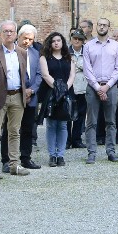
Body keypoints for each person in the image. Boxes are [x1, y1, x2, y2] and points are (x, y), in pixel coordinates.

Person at [0, 21, 31, 177]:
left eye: (11, 31)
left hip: (17, 96)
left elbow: (24, 75)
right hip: (0, 97)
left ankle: (14, 164)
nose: (8, 34)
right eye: (5, 31)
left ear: (16, 34)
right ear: (1, 34)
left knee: (14, 132)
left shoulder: (22, 52)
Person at [82, 18, 118, 164]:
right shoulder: (88, 46)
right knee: (91, 122)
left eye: (105, 25)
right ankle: (91, 153)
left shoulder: (116, 46)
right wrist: (98, 88)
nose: (102, 27)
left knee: (111, 121)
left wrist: (107, 86)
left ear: (109, 27)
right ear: (96, 27)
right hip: (94, 87)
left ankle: (111, 151)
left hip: (110, 87)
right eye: (99, 25)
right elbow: (87, 69)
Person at [39, 32, 76, 167]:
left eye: (58, 40)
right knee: (51, 125)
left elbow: (72, 75)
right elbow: (45, 75)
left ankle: (60, 155)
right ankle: (52, 155)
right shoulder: (44, 58)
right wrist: (57, 87)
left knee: (63, 125)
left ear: (62, 42)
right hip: (51, 94)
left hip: (66, 94)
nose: (56, 43)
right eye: (53, 41)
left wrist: (65, 88)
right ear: (50, 43)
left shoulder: (69, 58)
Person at [16, 24, 43, 170]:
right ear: (18, 36)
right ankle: (8, 159)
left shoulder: (35, 53)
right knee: (12, 129)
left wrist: (31, 90)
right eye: (25, 38)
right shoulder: (12, 52)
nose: (27, 41)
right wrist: (22, 91)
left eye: (30, 39)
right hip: (14, 96)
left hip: (30, 97)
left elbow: (39, 75)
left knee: (28, 128)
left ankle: (26, 158)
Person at [67, 29, 88, 149]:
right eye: (75, 38)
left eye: (79, 39)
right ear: (71, 39)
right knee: (68, 114)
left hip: (83, 87)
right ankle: (67, 139)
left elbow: (89, 68)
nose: (77, 41)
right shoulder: (66, 52)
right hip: (70, 86)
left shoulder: (87, 52)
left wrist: (76, 65)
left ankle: (77, 139)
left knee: (81, 114)